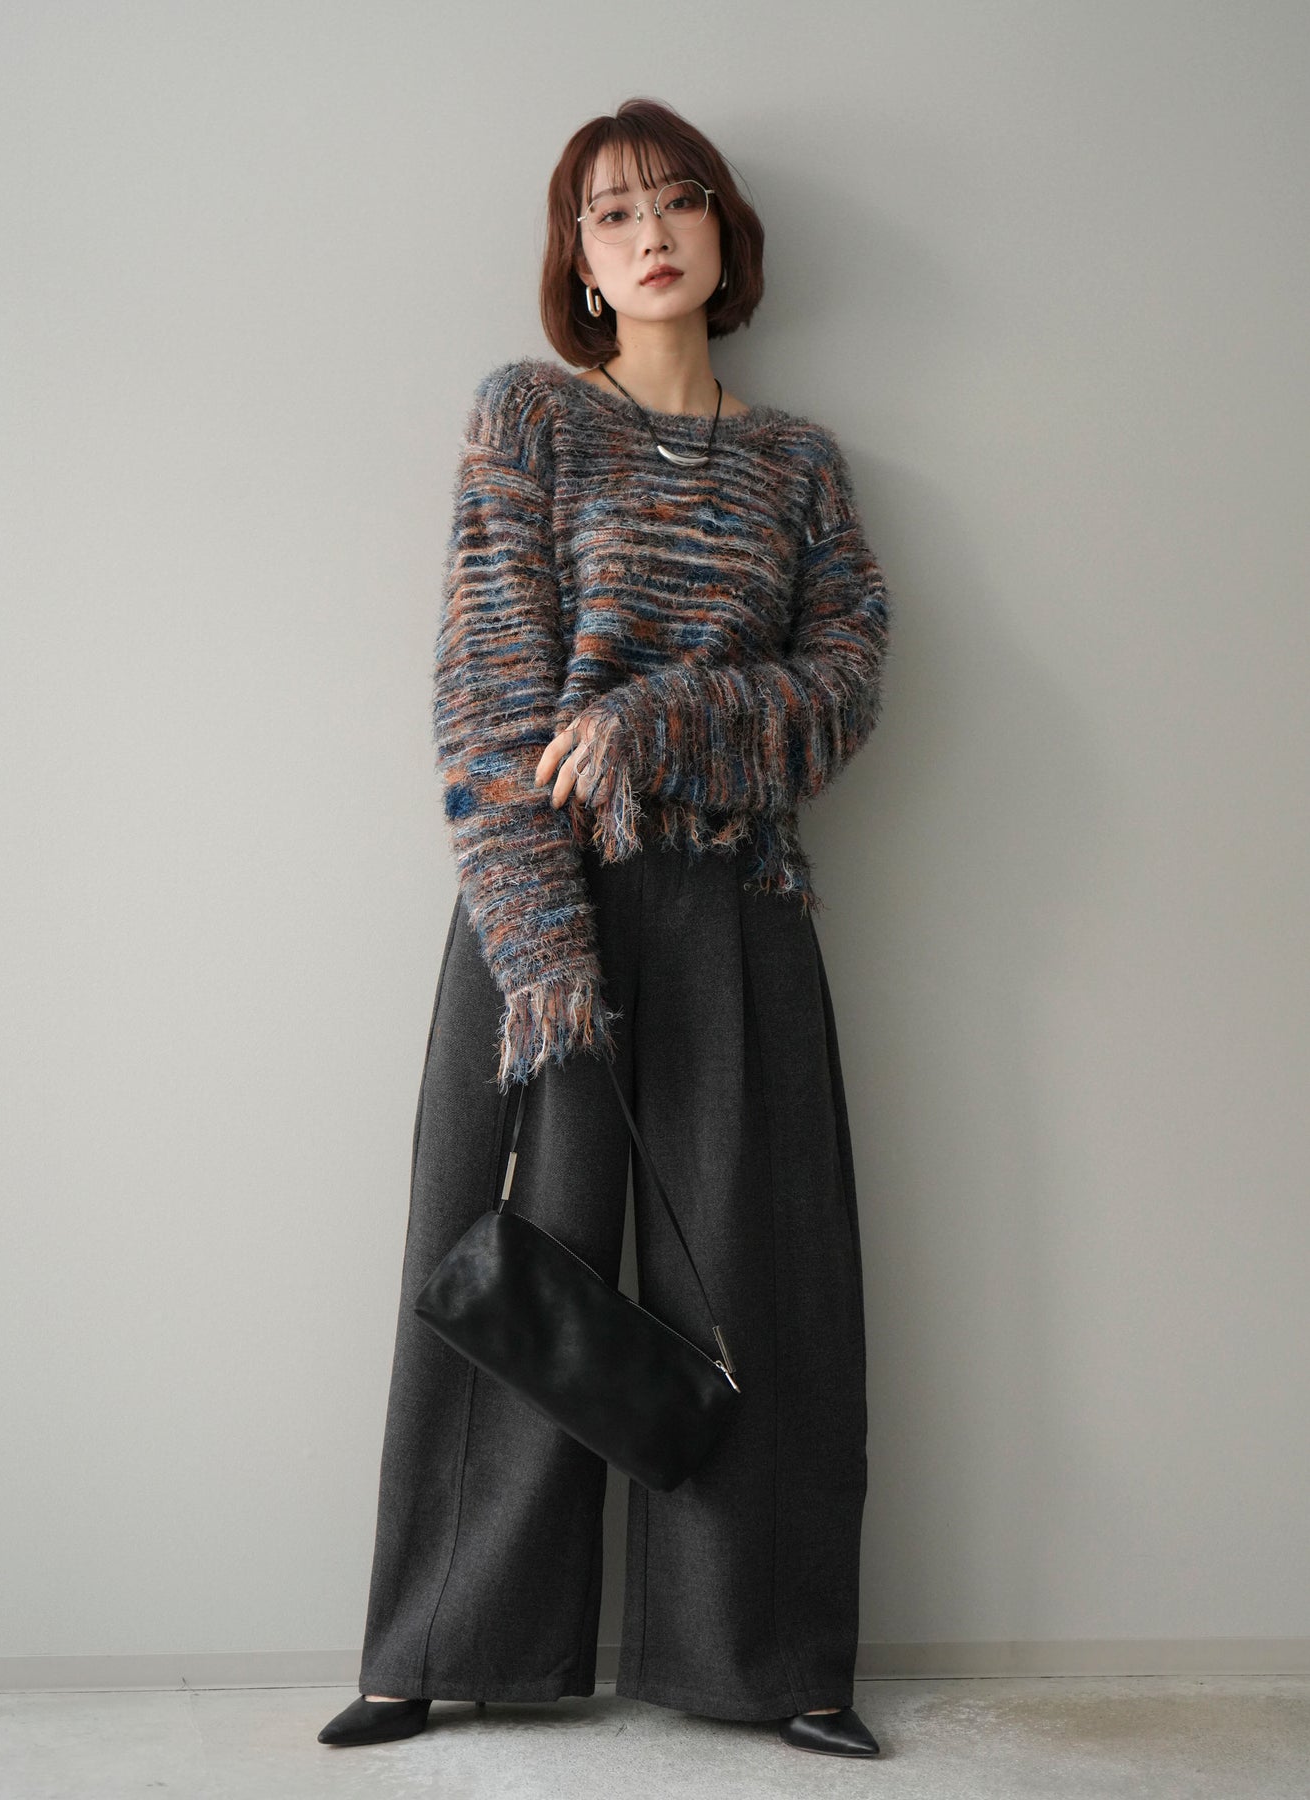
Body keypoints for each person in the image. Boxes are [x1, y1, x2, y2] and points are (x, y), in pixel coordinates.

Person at [318, 96, 892, 1762]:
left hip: (736, 901)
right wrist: (540, 953)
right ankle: (437, 1646)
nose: (648, 234)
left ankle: (775, 1661)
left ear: (724, 233)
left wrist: (665, 718)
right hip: (544, 906)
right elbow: (488, 698)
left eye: (677, 201)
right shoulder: (531, 419)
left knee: (760, 1274)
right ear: (575, 260)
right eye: (611, 213)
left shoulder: (800, 466)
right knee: (514, 1264)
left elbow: (842, 692)